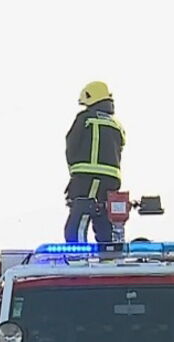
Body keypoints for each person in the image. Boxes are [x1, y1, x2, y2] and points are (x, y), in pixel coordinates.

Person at [64, 81, 126, 243]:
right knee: (105, 220)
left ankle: (77, 258)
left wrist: (74, 172)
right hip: (112, 181)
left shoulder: (85, 118)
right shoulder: (117, 124)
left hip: (88, 178)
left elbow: (72, 143)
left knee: (79, 220)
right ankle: (109, 259)